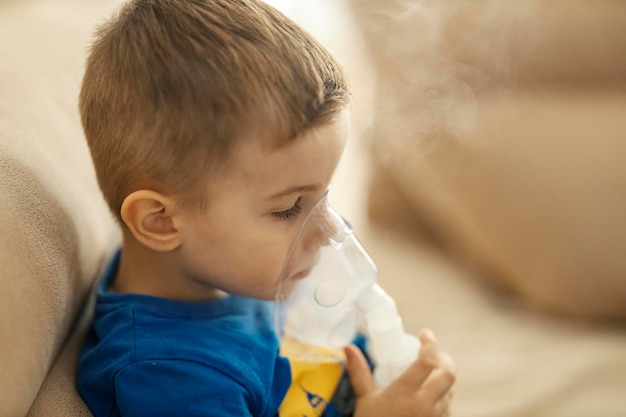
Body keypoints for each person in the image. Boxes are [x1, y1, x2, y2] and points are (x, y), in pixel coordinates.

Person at [77, 0, 456, 416]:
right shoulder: (175, 378)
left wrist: (398, 386)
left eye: (323, 196)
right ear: (161, 222)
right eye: (290, 208)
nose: (329, 229)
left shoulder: (242, 272)